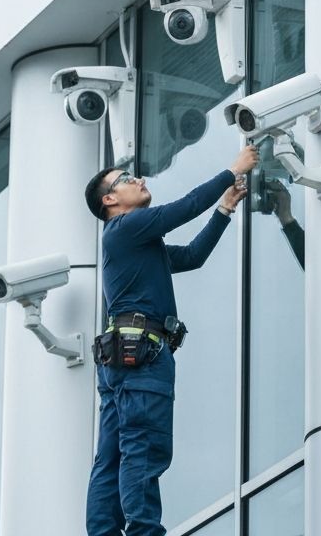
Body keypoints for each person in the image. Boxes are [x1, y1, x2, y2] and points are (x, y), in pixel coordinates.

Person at [84, 144, 259, 536]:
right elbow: (184, 207)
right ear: (111, 200)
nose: (140, 180)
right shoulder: (127, 227)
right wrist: (232, 170)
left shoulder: (135, 242)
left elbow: (193, 256)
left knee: (111, 456)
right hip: (141, 355)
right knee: (144, 446)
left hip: (123, 357)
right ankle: (145, 532)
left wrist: (225, 209)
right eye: (127, 180)